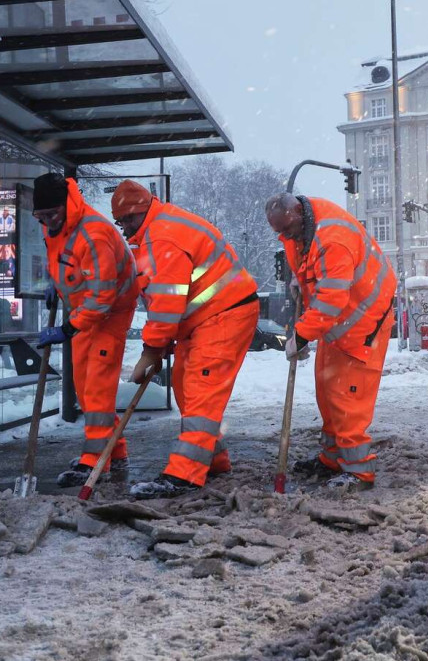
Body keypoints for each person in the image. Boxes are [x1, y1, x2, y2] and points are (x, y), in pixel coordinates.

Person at [111, 180, 260, 499]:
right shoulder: (156, 231)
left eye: (126, 220)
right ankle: (212, 460)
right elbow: (168, 299)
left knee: (201, 391)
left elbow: (167, 301)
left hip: (225, 314)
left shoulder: (162, 237)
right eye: (119, 222)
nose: (124, 229)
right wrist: (160, 344)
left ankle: (185, 474)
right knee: (184, 386)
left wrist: (152, 349)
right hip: (205, 318)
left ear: (140, 212)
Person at [265, 192, 396, 490]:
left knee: (347, 397)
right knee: (327, 391)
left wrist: (300, 335)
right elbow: (314, 271)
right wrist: (300, 279)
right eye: (280, 232)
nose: (286, 236)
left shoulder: (333, 239)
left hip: (363, 322)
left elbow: (331, 300)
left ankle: (359, 471)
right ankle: (334, 458)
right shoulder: (302, 227)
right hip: (339, 323)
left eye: (287, 229)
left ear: (298, 212)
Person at [31, 173, 139, 487]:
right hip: (84, 311)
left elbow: (103, 295)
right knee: (83, 384)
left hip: (112, 311)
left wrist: (67, 328)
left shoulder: (94, 233)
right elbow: (65, 261)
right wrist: (57, 284)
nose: (48, 222)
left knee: (97, 385)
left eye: (52, 214)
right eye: (41, 216)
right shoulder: (54, 226)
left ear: (66, 205)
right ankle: (115, 451)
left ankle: (94, 461)